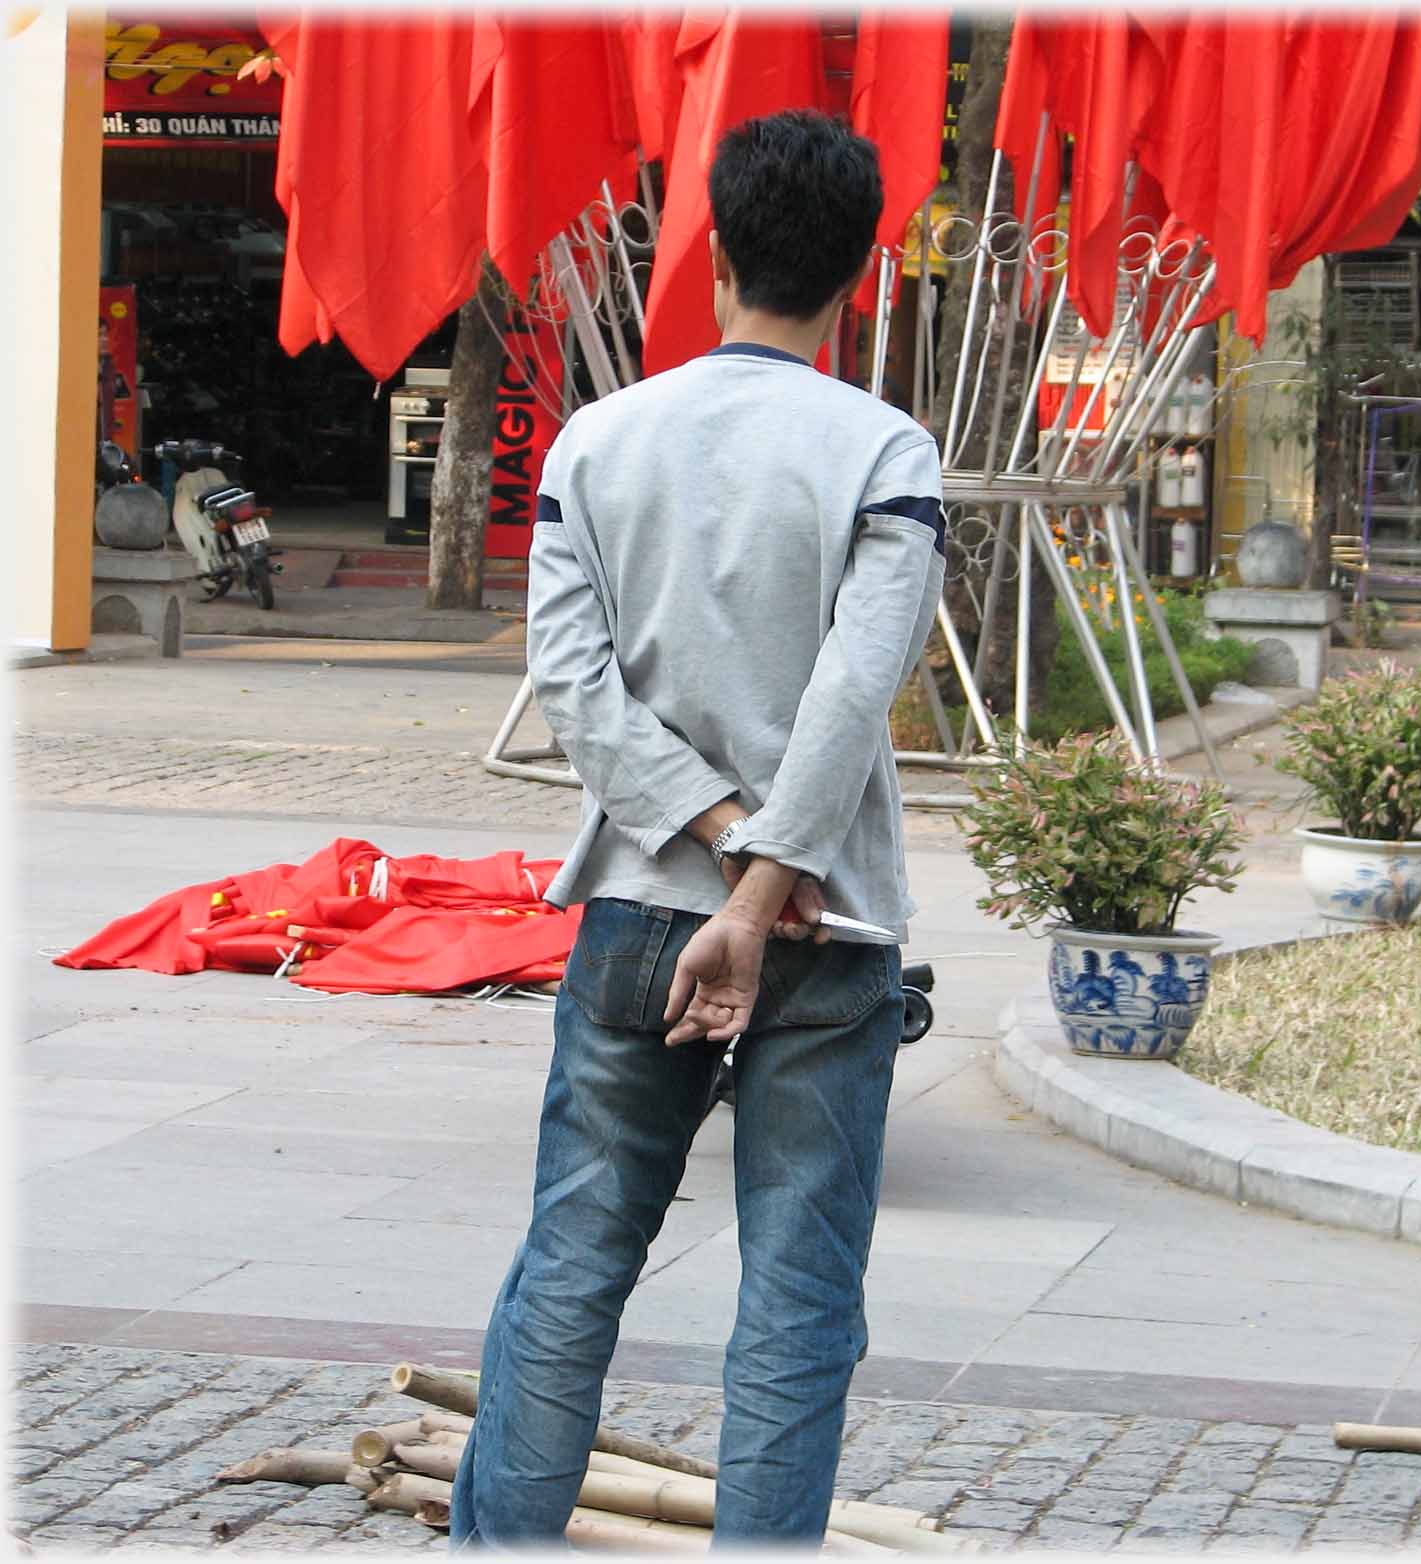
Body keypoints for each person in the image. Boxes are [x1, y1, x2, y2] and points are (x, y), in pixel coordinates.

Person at [450, 108, 944, 1549]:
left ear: (713, 253)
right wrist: (767, 873)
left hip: (636, 916)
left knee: (576, 1262)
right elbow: (859, 693)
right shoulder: (885, 450)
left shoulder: (598, 443)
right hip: (826, 927)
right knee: (798, 1293)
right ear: (862, 271)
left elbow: (572, 686)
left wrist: (718, 842)